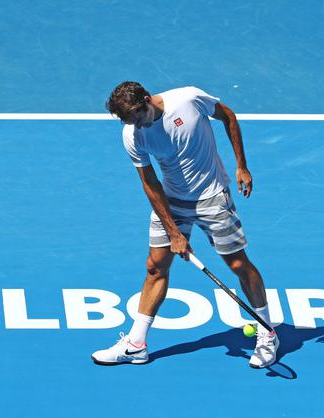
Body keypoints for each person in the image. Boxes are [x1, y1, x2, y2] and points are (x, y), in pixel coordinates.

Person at [91, 82, 279, 368]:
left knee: (239, 265)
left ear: (147, 100)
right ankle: (136, 345)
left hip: (212, 196)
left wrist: (242, 166)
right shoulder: (132, 134)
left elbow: (228, 117)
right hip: (172, 200)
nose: (135, 127)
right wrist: (173, 231)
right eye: (128, 122)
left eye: (136, 119)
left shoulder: (189, 99)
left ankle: (267, 332)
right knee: (155, 266)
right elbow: (150, 183)